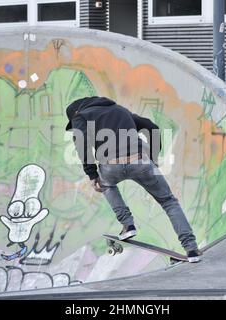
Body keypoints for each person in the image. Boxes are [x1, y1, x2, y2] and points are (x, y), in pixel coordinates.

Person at [65, 96, 202, 263]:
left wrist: (92, 174)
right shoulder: (120, 110)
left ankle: (127, 225)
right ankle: (191, 248)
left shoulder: (80, 116)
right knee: (168, 202)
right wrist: (152, 158)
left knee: (105, 184)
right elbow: (152, 127)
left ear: (75, 113)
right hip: (140, 162)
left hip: (111, 166)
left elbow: (82, 144)